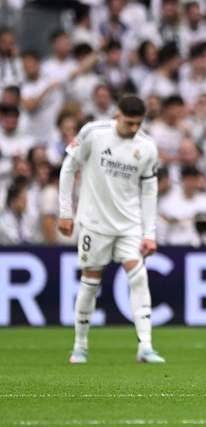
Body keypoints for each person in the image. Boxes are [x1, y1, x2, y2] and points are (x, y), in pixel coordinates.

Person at [58, 95, 165, 364]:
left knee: (139, 277)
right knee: (90, 282)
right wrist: (65, 212)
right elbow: (68, 168)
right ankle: (80, 346)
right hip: (95, 223)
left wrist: (149, 234)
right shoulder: (93, 133)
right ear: (117, 115)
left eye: (138, 124)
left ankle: (146, 346)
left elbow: (149, 191)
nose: (134, 129)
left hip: (129, 225)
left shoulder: (147, 146)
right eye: (129, 123)